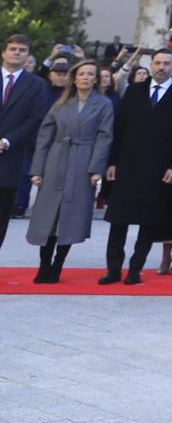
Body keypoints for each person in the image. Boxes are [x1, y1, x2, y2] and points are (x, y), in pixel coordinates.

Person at [100, 48, 172, 286]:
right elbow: (120, 128)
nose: (161, 68)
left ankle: (135, 269)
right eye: (157, 63)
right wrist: (112, 162)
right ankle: (113, 269)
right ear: (151, 64)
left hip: (159, 168)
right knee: (118, 220)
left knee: (148, 221)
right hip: (127, 165)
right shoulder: (135, 90)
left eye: (166, 63)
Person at [25, 59, 113, 283]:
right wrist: (38, 169)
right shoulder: (61, 103)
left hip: (83, 162)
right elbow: (44, 137)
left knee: (70, 217)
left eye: (90, 74)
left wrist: (96, 169)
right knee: (48, 215)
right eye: (81, 74)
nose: (85, 77)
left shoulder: (103, 104)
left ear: (96, 79)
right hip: (56, 159)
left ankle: (58, 265)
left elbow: (105, 137)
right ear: (74, 78)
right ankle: (44, 264)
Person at [1, 33, 56, 249]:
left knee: (2, 214)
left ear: (28, 56)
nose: (17, 53)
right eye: (13, 48)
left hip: (11, 158)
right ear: (4, 52)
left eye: (22, 50)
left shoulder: (37, 85)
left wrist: (7, 140)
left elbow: (36, 118)